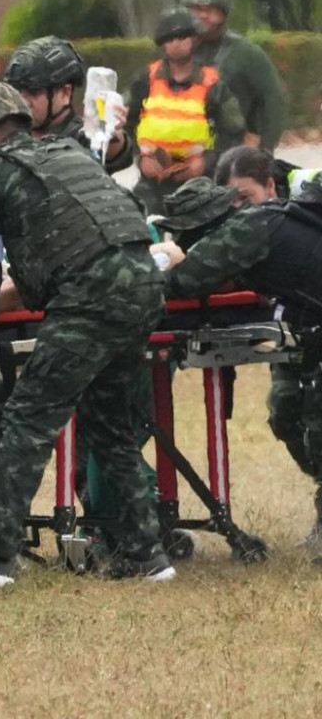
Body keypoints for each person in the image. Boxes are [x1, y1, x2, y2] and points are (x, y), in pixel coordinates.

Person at [0, 81, 173, 587]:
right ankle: (146, 554)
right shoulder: (69, 154)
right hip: (144, 289)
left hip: (88, 300)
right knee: (110, 427)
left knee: (28, 418)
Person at [157, 176, 322, 553]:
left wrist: (166, 263)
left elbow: (183, 282)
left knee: (317, 425)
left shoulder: (243, 230)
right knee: (287, 414)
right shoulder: (261, 220)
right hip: (310, 331)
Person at [126, 8, 246, 216]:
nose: (176, 43)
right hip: (152, 185)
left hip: (199, 184)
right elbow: (126, 124)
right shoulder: (145, 79)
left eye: (182, 36)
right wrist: (141, 158)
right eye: (170, 38)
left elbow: (234, 133)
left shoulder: (213, 84)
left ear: (194, 39)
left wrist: (206, 162)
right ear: (163, 43)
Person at [180, 0, 286, 150]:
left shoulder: (245, 53)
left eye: (211, 9)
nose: (203, 15)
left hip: (230, 151)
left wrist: (263, 149)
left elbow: (273, 100)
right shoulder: (176, 50)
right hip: (182, 149)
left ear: (223, 12)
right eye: (196, 8)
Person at [3, 35, 133, 173]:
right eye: (17, 91)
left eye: (33, 92)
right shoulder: (9, 136)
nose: (23, 100)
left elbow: (111, 155)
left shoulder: (82, 138)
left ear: (65, 93)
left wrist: (112, 137)